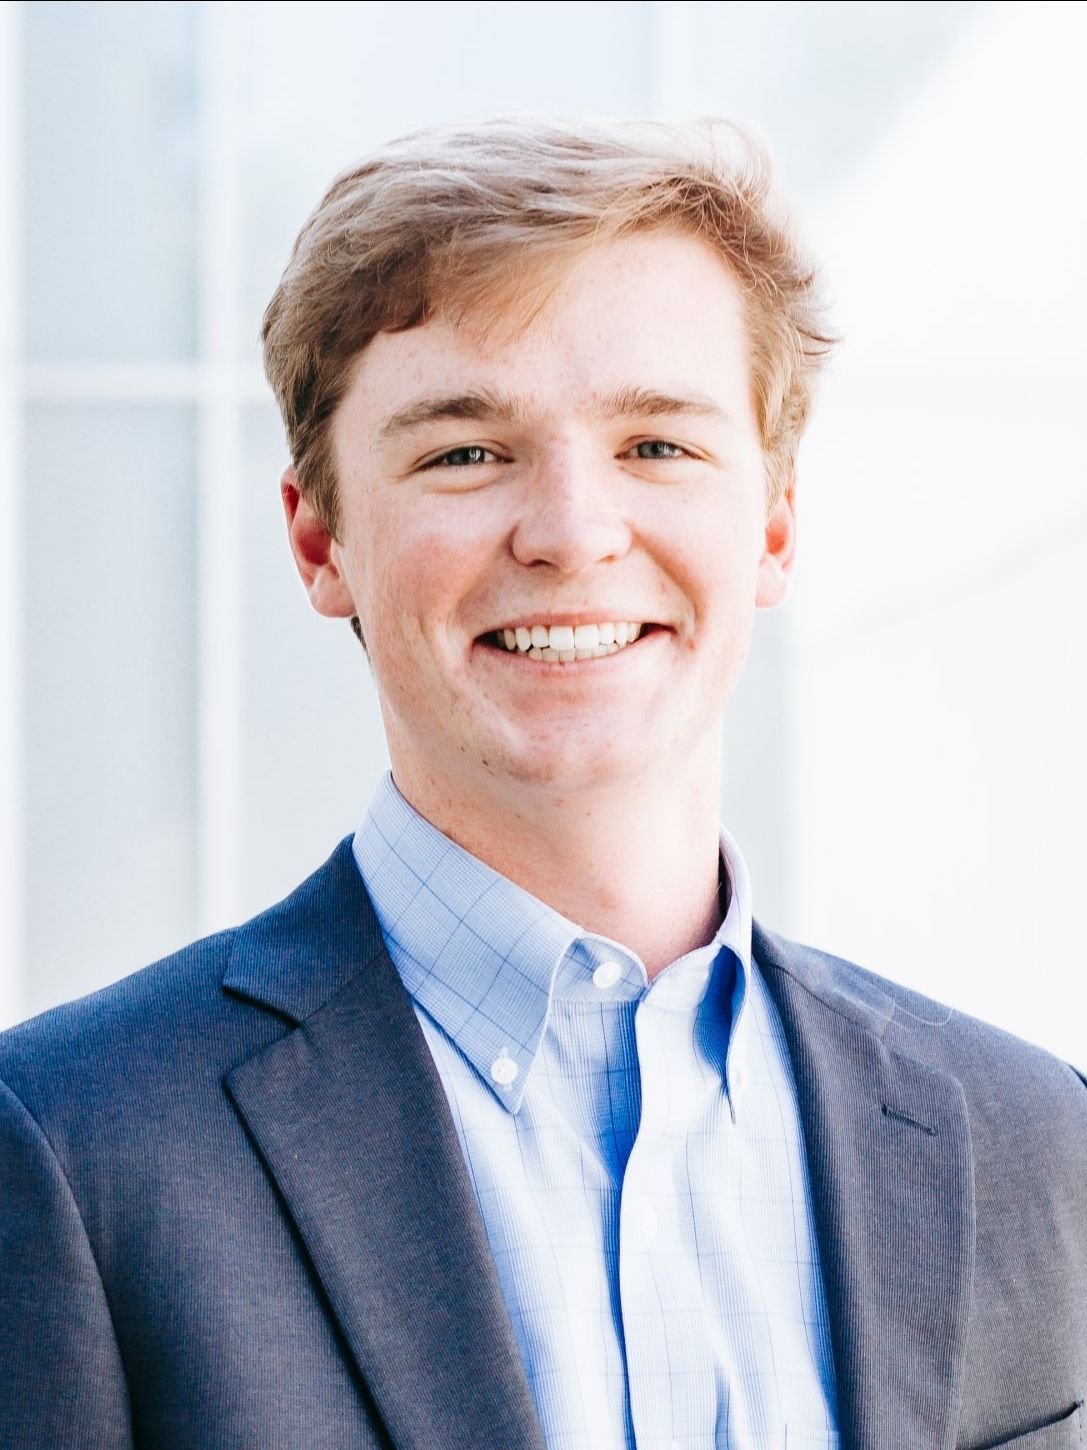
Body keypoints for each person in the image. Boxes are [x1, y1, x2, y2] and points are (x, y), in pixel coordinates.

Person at [1, 117, 1084, 1450]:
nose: (573, 531)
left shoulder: (1032, 1143)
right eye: (466, 450)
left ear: (777, 522)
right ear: (319, 537)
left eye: (658, 446)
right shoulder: (70, 1147)